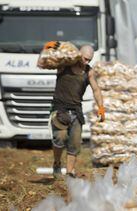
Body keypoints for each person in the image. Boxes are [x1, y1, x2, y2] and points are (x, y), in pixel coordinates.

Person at [38, 41, 105, 178]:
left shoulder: (88, 72)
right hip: (60, 108)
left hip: (76, 111)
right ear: (79, 54)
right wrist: (47, 47)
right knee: (60, 138)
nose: (86, 62)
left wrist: (101, 108)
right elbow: (42, 64)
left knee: (74, 143)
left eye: (89, 60)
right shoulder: (65, 65)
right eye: (85, 58)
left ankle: (69, 172)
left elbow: (96, 90)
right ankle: (57, 163)